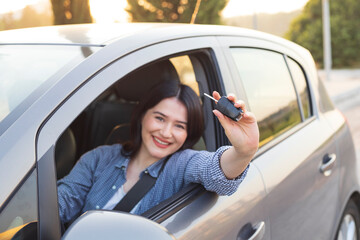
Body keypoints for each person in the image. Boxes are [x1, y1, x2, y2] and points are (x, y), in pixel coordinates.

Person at [57, 80, 259, 224]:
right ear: (142, 115)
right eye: (160, 118)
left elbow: (215, 169)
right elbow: (61, 202)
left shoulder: (183, 164)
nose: (165, 133)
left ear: (189, 132)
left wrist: (243, 152)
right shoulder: (99, 158)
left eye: (179, 126)